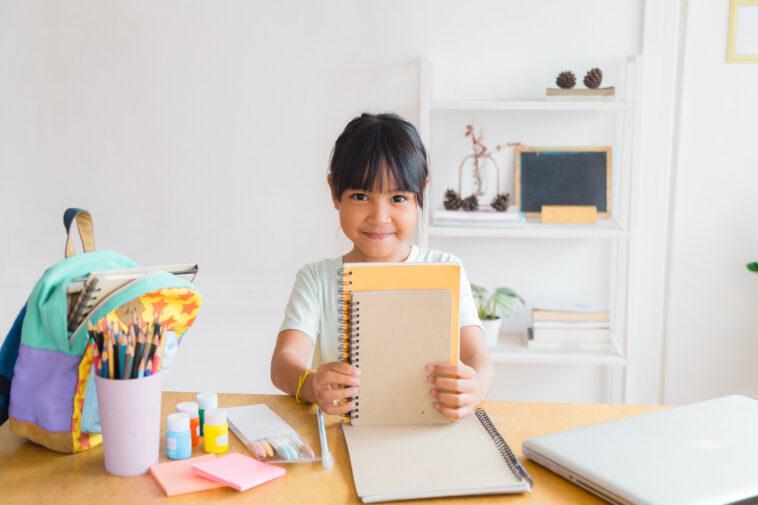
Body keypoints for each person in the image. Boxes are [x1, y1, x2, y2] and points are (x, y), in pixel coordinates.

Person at [270, 112, 493, 420]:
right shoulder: (316, 279)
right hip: (345, 433)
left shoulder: (446, 269)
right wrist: (310, 385)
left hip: (429, 427)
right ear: (335, 192)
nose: (379, 216)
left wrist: (476, 387)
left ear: (420, 194)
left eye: (398, 198)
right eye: (361, 196)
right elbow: (283, 361)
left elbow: (478, 356)